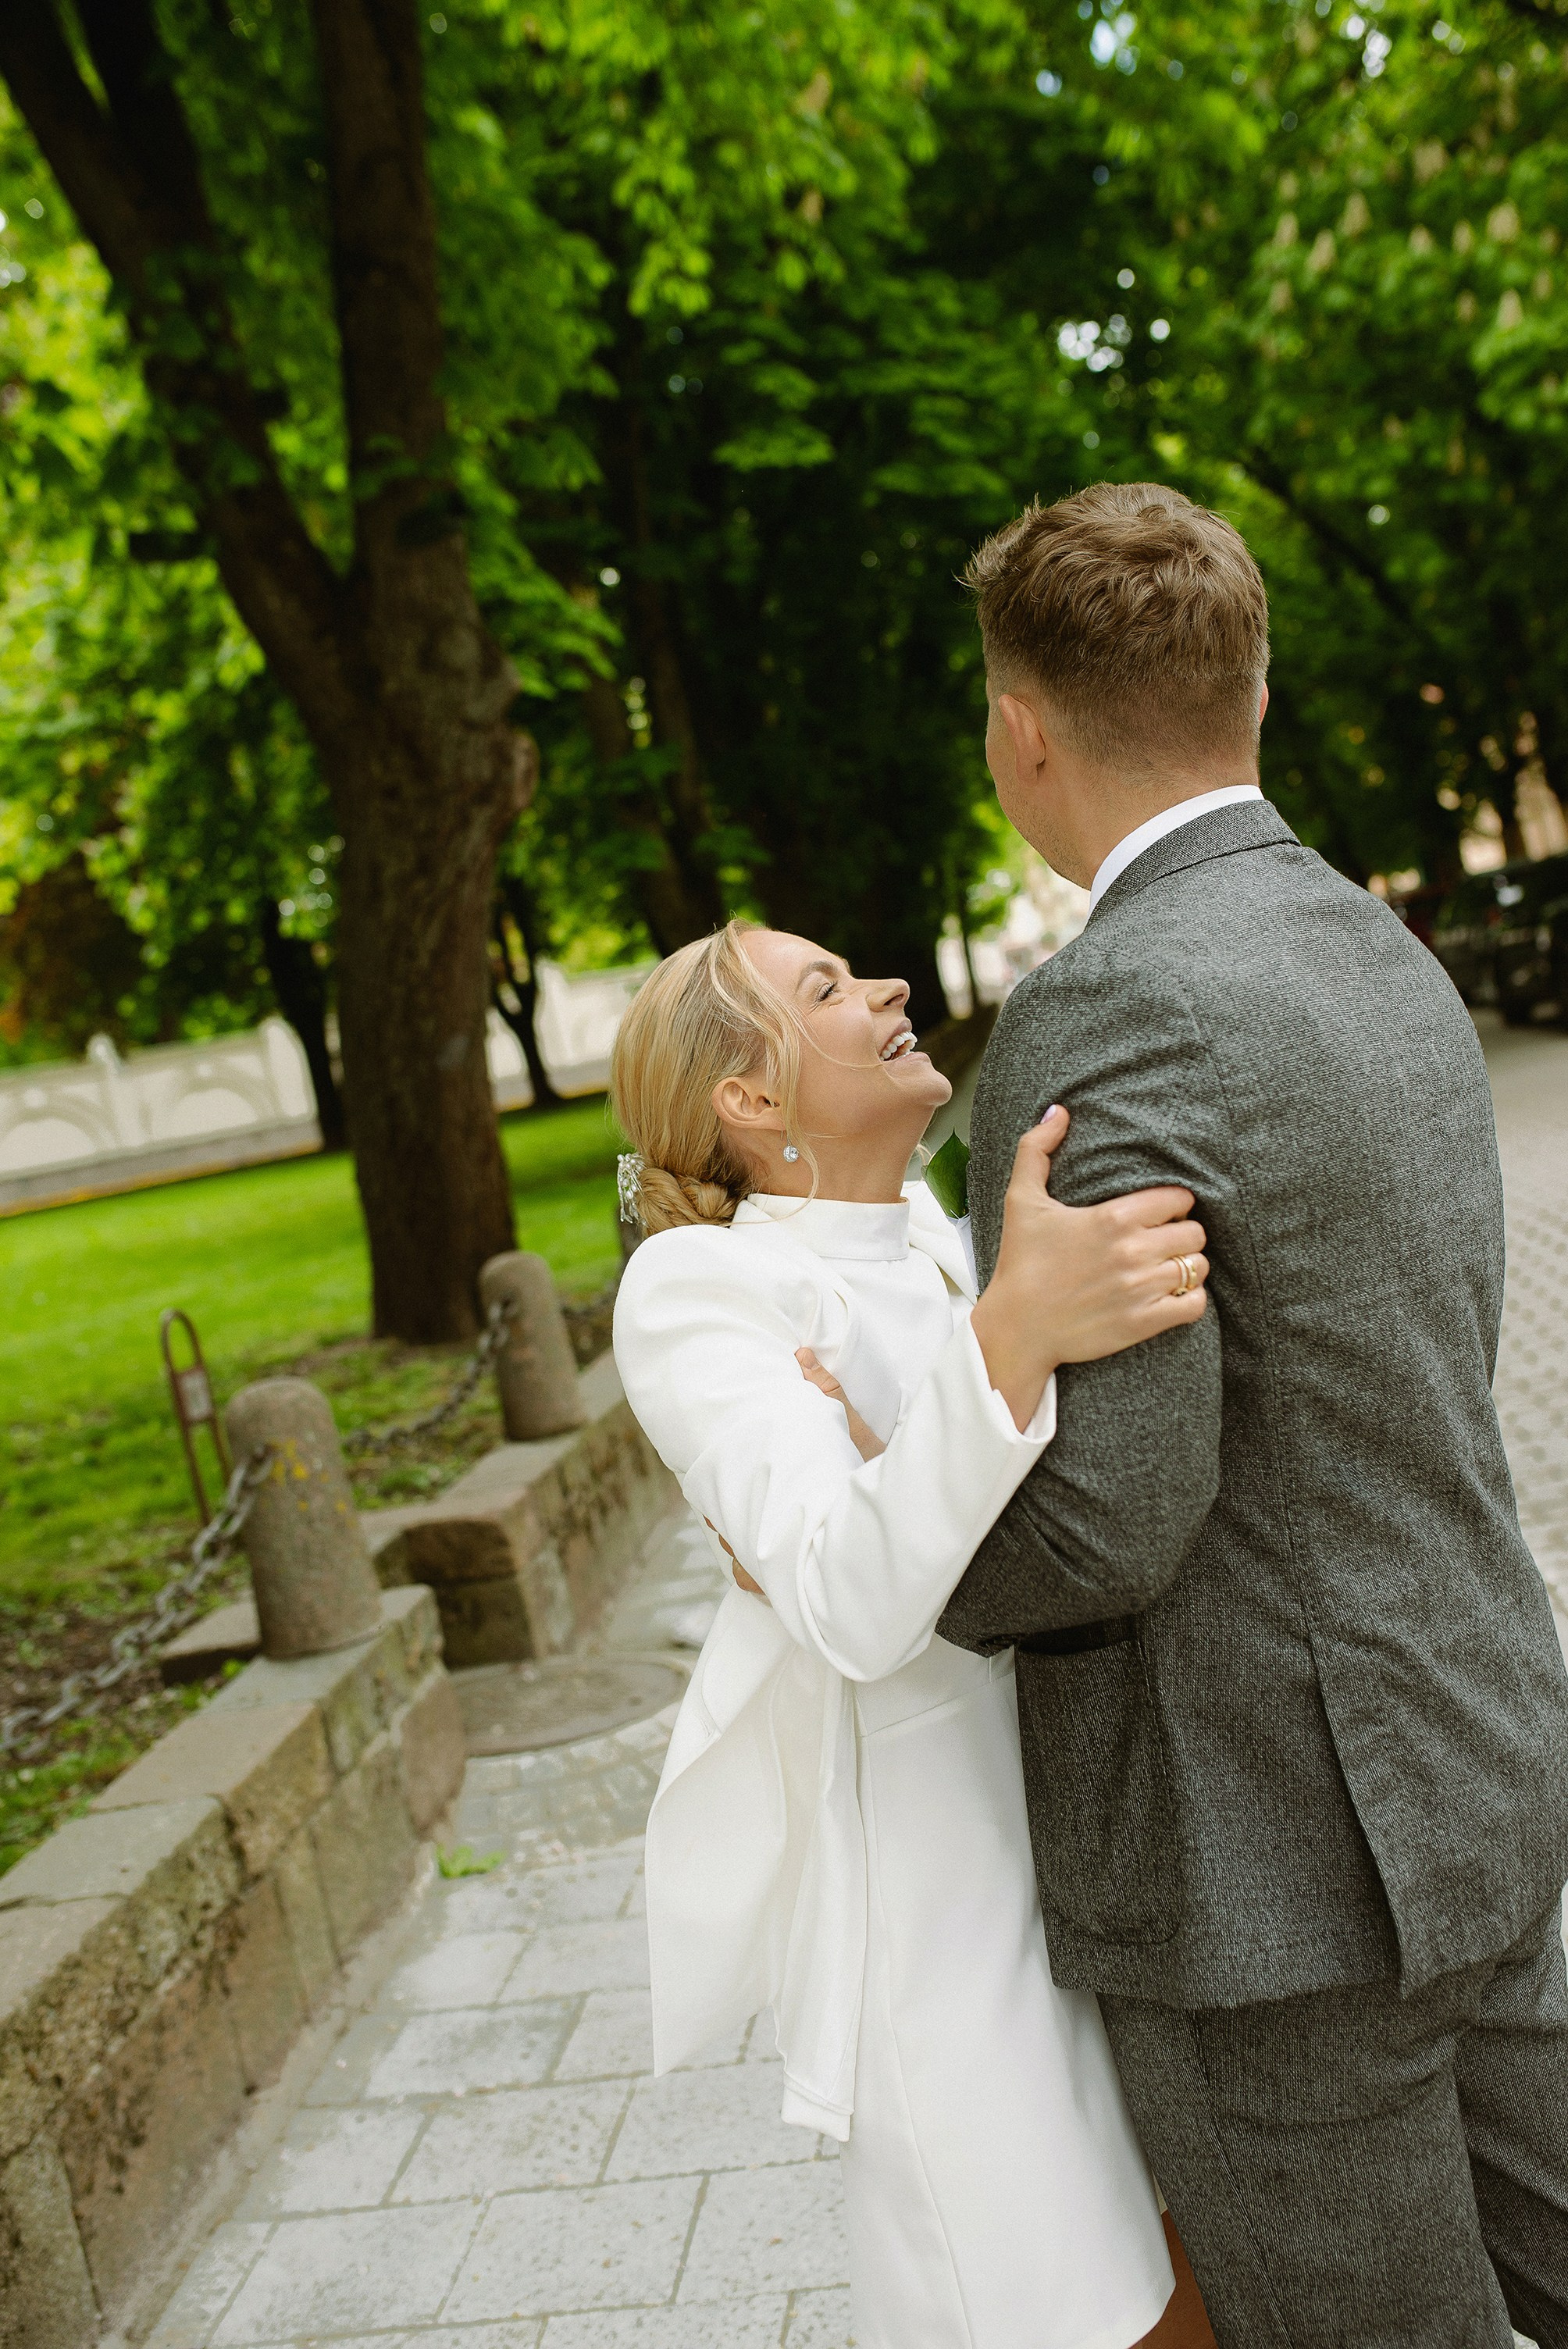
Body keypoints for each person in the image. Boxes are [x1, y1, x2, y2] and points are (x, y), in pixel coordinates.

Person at [937, 480, 1568, 2347]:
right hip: (1472, 1763)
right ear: (1252, 692)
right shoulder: (1381, 950)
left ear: (1019, 730)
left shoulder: (1096, 1018)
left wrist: (870, 1543)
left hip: (1266, 1873)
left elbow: (1111, 1515)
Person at [610, 919, 1219, 2349]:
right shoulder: (705, 1292)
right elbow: (850, 1598)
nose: (886, 987)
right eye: (824, 988)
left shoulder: (949, 1241)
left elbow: (988, 1524)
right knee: (1063, 2311)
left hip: (1096, 1873)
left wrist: (915, 1428)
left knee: (1190, 2294)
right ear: (750, 1105)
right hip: (953, 1933)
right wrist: (1014, 1338)